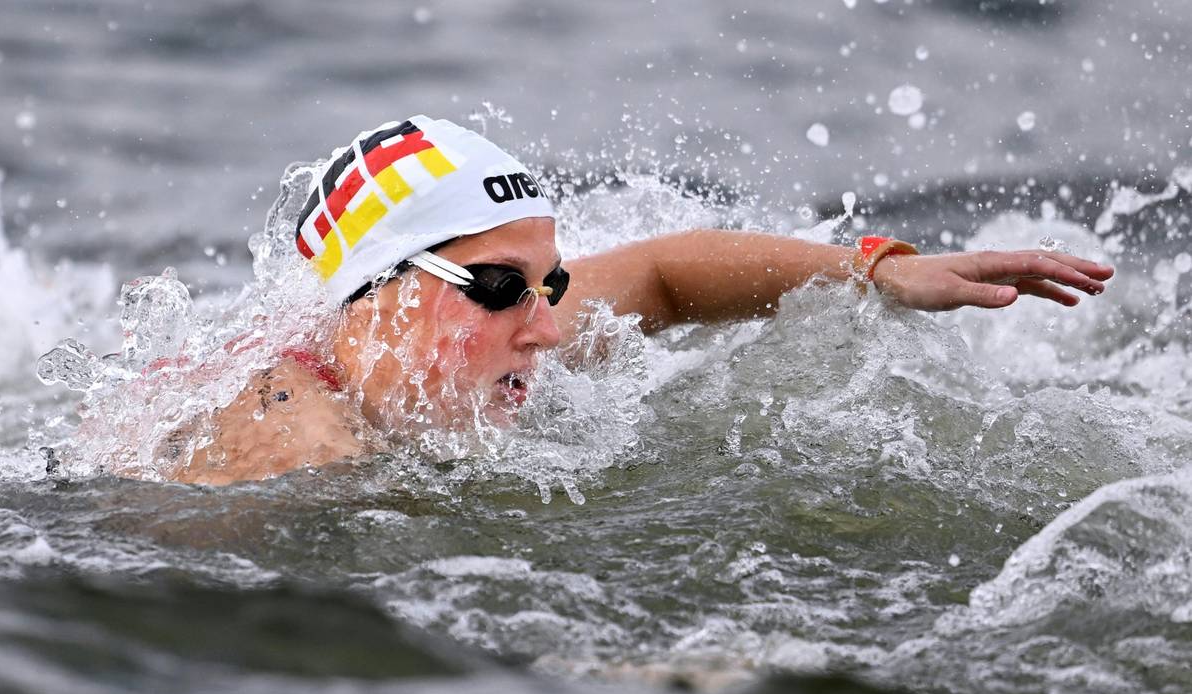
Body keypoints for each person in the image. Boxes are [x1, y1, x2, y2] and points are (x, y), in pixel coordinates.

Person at [171, 115, 1113, 485]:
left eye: (551, 284)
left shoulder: (443, 360)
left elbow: (665, 271)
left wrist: (877, 269)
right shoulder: (294, 448)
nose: (546, 330)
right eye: (501, 288)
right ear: (374, 298)